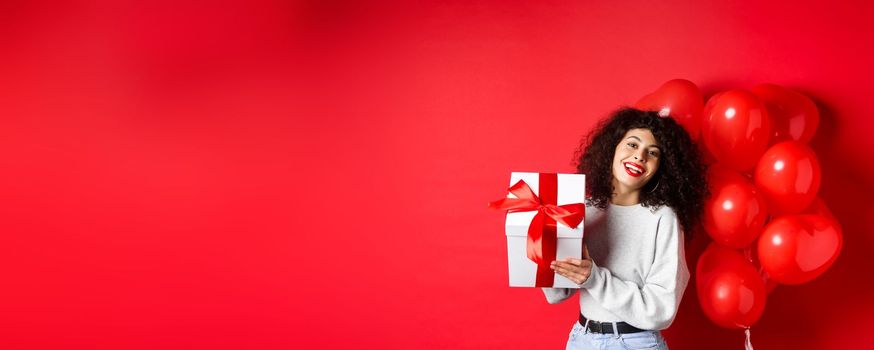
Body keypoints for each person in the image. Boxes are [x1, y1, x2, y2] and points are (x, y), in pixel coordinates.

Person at [543, 107, 709, 350]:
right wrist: (540, 249)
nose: (640, 156)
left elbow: (661, 311)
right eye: (632, 144)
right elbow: (557, 294)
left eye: (652, 153)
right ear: (612, 148)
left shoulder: (663, 218)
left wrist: (594, 278)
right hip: (582, 338)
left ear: (661, 168)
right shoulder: (583, 209)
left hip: (635, 343)